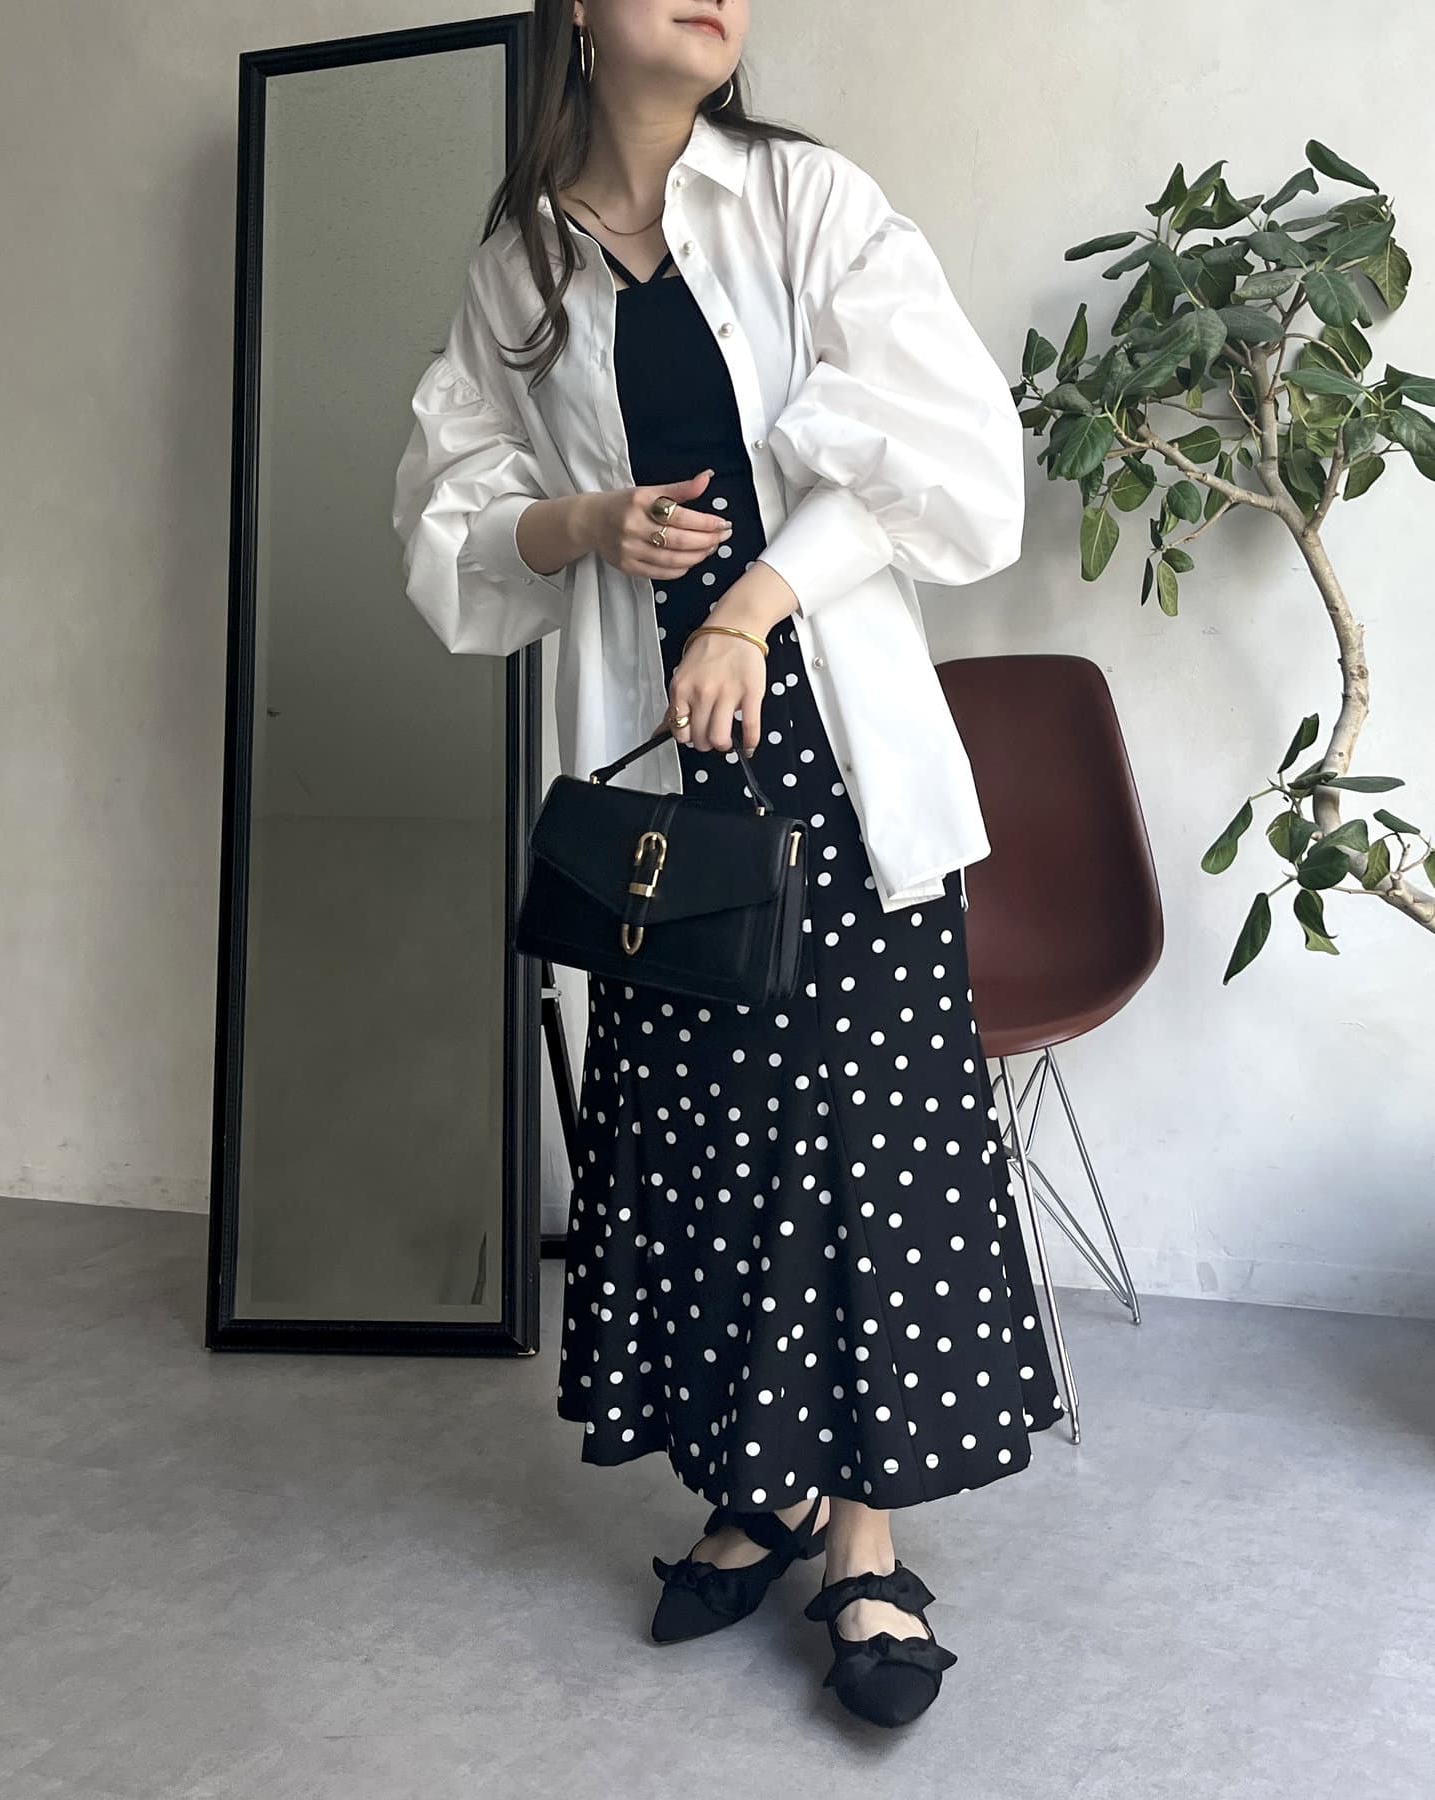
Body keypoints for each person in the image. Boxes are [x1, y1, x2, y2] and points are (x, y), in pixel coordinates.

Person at [391, 0, 1065, 1731]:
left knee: (857, 1139)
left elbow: (948, 451)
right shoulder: (520, 267)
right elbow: (451, 516)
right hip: (658, 782)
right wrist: (584, 524)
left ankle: (865, 1540)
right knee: (705, 1142)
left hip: (827, 756)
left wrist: (751, 604)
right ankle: (757, 1493)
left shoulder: (803, 200)